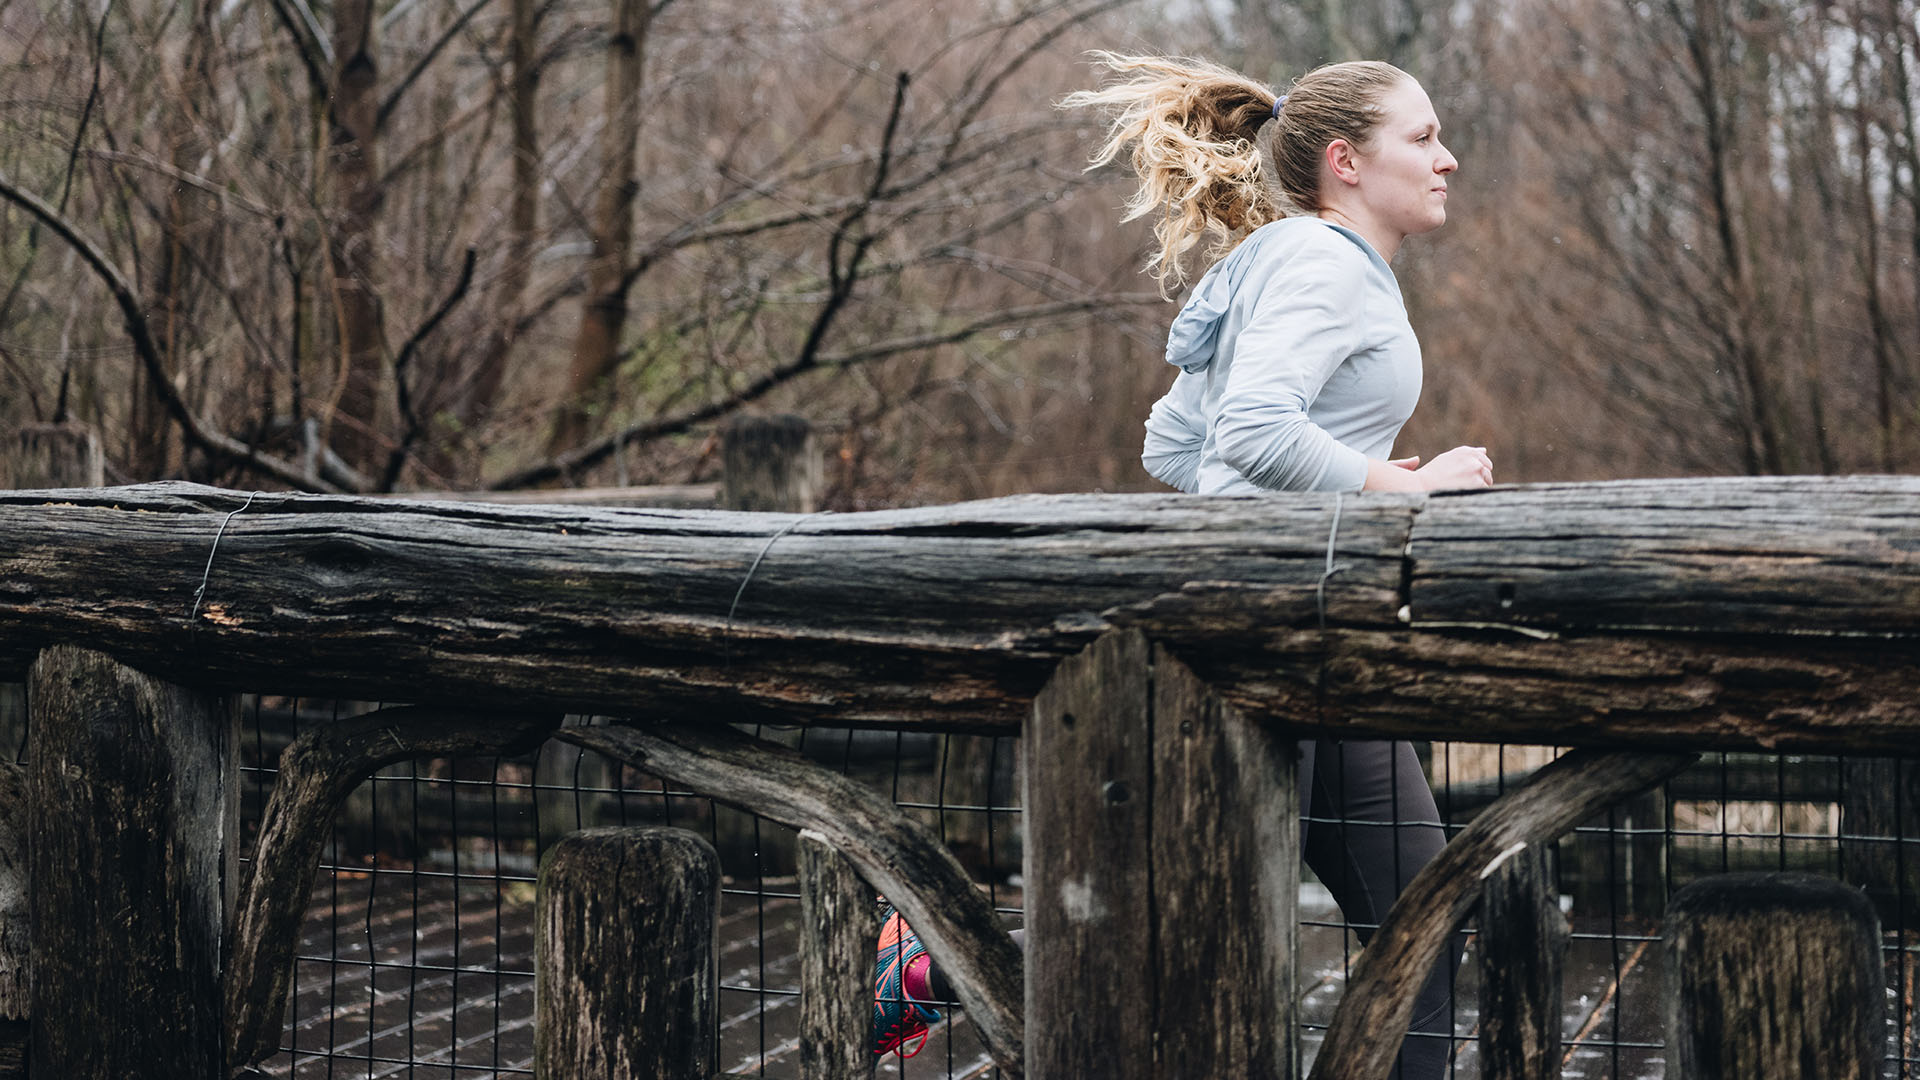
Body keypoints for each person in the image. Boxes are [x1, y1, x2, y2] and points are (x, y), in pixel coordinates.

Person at [872, 53, 1488, 1079]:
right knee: (1332, 911)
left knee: (1387, 908)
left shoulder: (1276, 258)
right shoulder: (1325, 264)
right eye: (1423, 139)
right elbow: (1247, 430)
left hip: (1289, 615)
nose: (1448, 159)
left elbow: (1175, 447)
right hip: (1268, 625)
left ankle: (930, 969)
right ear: (1345, 160)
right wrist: (1396, 488)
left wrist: (1353, 475)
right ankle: (930, 967)